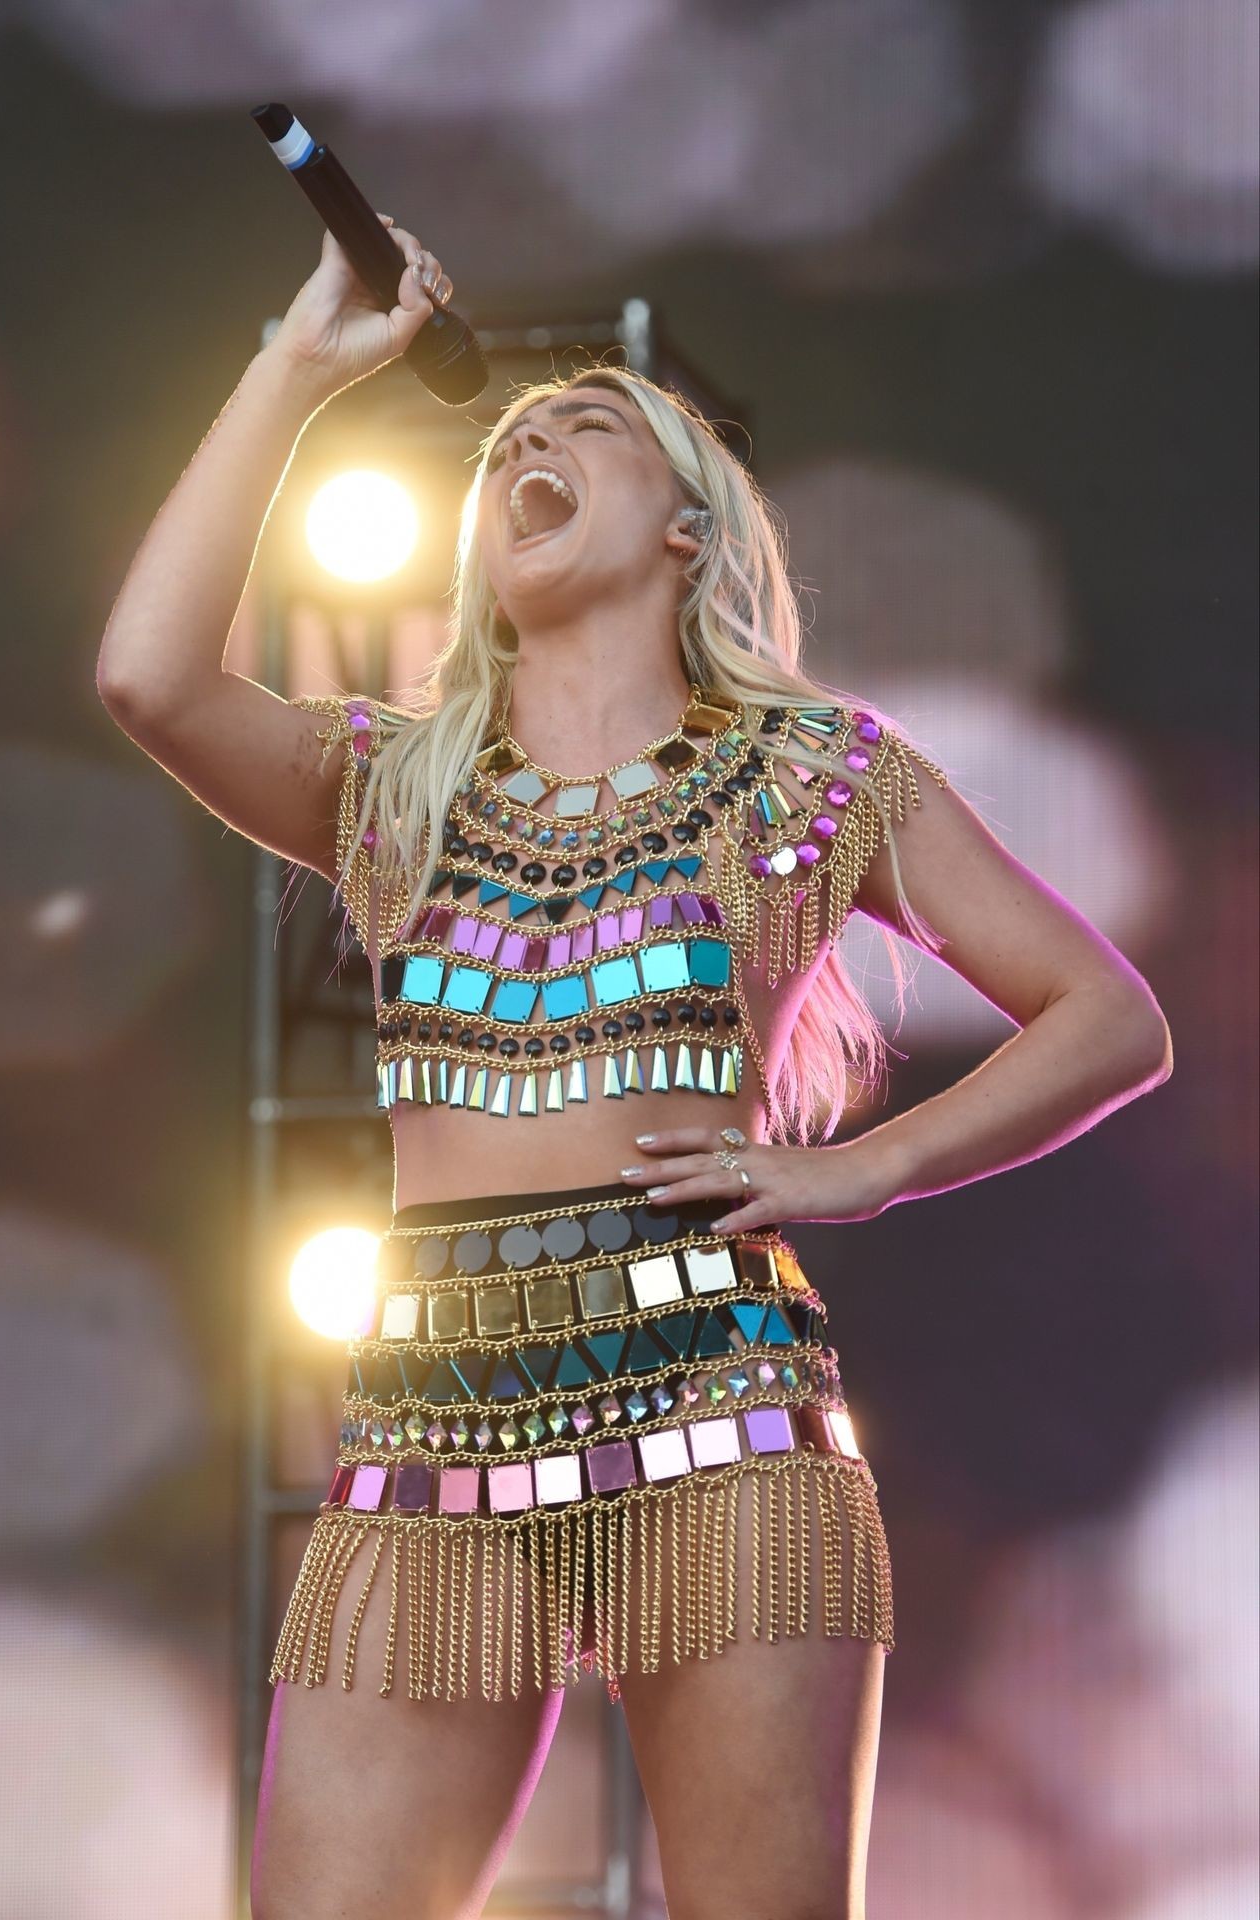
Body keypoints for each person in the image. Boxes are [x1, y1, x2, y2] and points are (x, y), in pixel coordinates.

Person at [96, 219, 1173, 1920]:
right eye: (511, 442)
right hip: (426, 1407)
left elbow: (1107, 1015)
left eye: (586, 424)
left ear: (688, 525)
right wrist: (294, 369)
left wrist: (863, 1166)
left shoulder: (812, 771)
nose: (529, 436)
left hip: (716, 1399)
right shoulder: (398, 788)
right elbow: (147, 678)